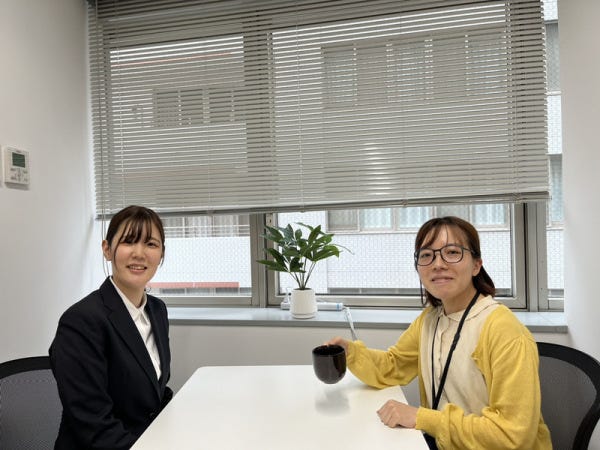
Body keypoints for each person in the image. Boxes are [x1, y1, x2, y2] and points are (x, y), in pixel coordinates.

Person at [326, 216, 552, 449]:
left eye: (452, 252)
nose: (438, 264)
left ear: (476, 265)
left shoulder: (504, 330)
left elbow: (512, 435)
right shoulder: (430, 319)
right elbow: (392, 366)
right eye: (426, 255)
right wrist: (349, 352)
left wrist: (422, 418)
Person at [49, 205, 173, 450]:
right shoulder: (81, 321)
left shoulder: (157, 310)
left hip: (146, 440)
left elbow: (155, 392)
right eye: (128, 241)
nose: (139, 253)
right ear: (107, 249)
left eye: (151, 244)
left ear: (161, 254)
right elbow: (94, 425)